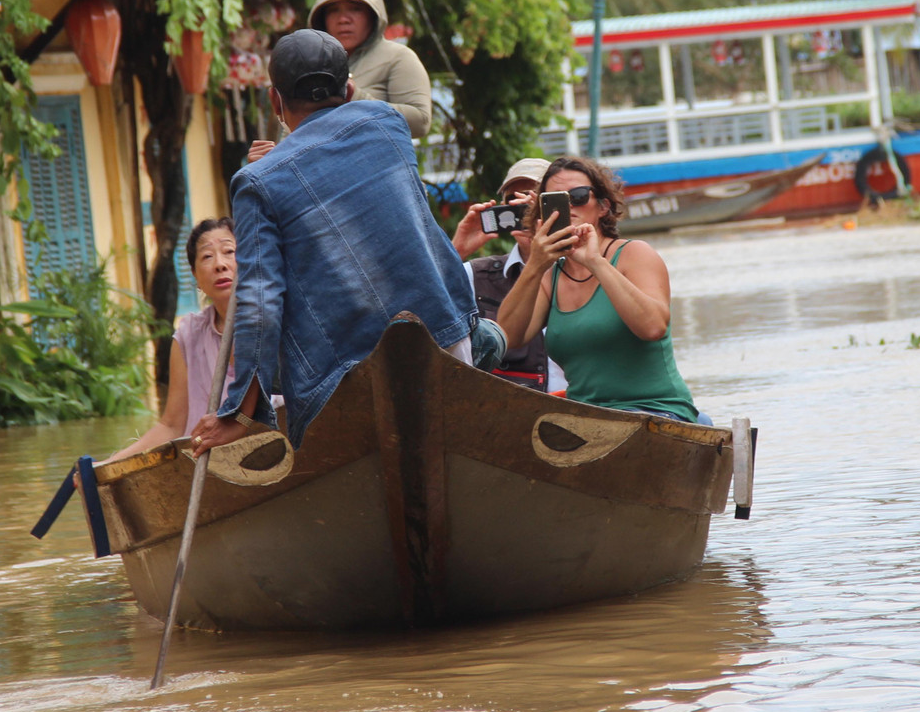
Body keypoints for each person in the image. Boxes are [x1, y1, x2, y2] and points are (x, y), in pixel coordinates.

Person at [190, 29, 499, 456]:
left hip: (340, 373)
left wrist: (240, 413)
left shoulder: (256, 182)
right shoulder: (388, 123)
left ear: (274, 102)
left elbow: (260, 300)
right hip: (442, 338)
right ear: (349, 88)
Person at [495, 155, 701, 423]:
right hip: (586, 416)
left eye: (578, 196)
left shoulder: (635, 254)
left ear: (603, 206)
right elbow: (509, 337)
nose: (568, 206)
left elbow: (653, 327)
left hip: (654, 410)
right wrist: (534, 264)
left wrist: (594, 262)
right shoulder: (550, 274)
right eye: (555, 199)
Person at [107, 218, 238, 461]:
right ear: (196, 277)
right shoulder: (189, 334)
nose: (220, 264)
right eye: (207, 257)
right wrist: (109, 464)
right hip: (209, 463)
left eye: (229, 251)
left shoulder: (271, 320)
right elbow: (171, 426)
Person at [452, 157, 566, 394]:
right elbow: (417, 316)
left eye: (533, 198)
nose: (522, 209)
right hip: (510, 412)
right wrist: (455, 251)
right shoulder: (477, 274)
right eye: (512, 200)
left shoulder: (588, 269)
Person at [308, 0, 433, 138]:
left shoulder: (398, 58)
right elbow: (295, 130)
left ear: (372, 14)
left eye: (355, 8)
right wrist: (273, 156)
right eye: (333, 10)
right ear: (322, 17)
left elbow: (421, 122)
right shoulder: (312, 64)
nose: (343, 19)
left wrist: (355, 97)